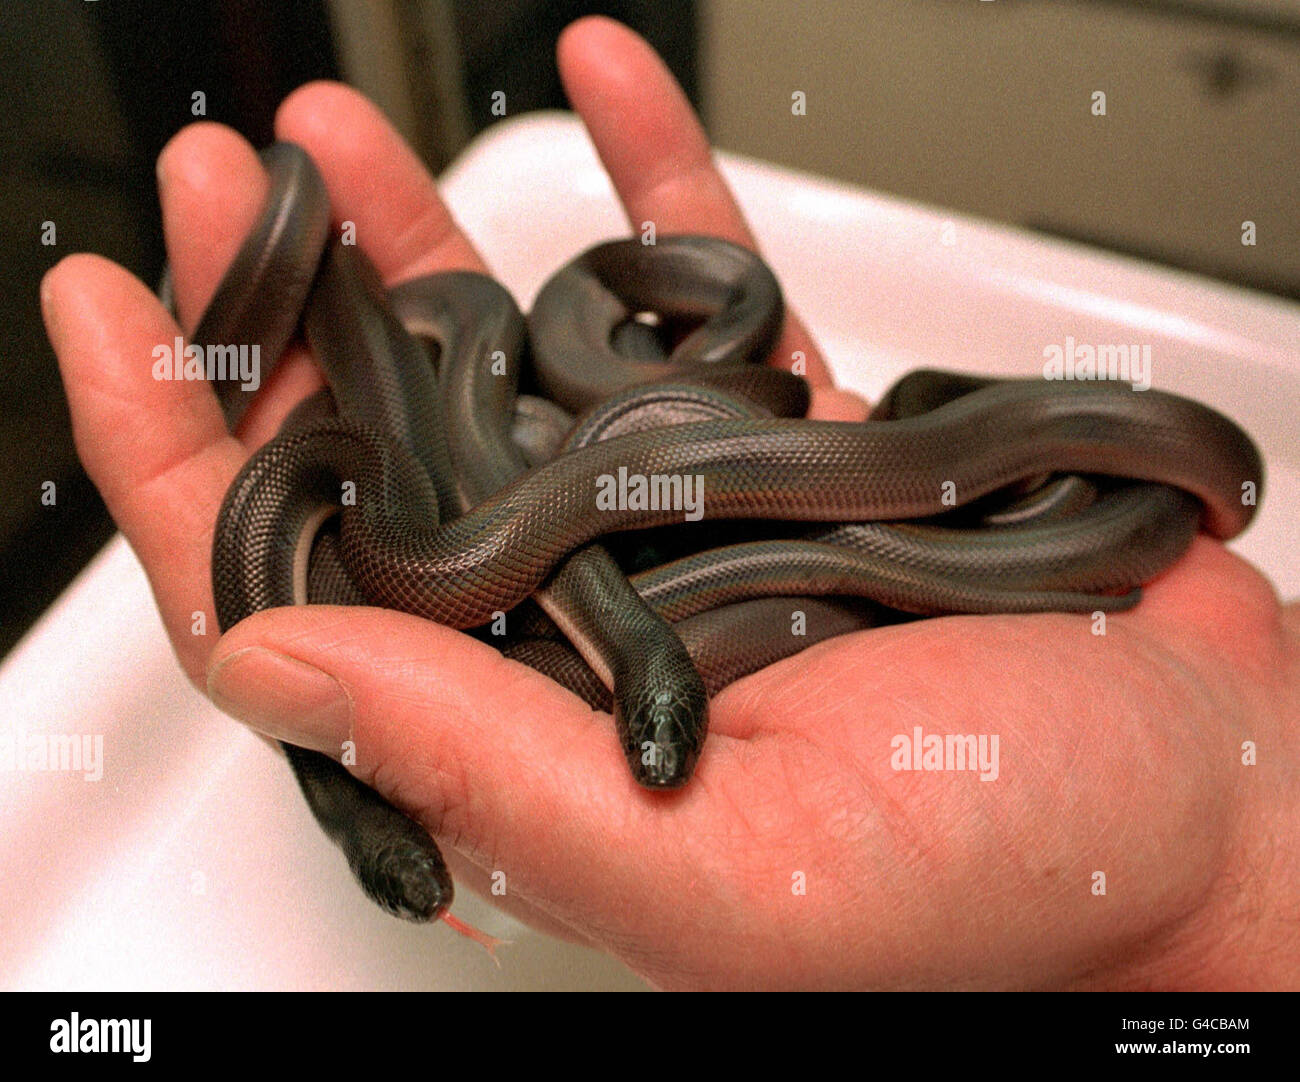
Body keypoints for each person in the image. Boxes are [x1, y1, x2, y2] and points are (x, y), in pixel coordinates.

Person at [40, 16, 1299, 990]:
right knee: (496, 424)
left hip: (582, 468)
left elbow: (1225, 475)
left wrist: (1237, 839)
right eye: (663, 726)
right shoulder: (406, 508)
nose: (660, 764)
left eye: (662, 726)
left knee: (547, 447)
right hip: (531, 465)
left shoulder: (529, 533)